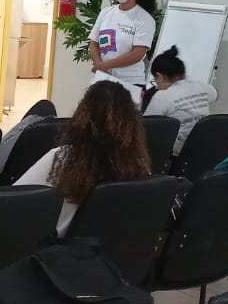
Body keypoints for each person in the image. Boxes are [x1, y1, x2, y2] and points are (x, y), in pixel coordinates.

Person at [15, 81, 150, 234]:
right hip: (105, 251)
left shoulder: (62, 158)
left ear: (82, 116)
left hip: (52, 249)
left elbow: (13, 201)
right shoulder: (138, 166)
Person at [89, 0, 156, 104]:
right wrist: (99, 64)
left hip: (130, 82)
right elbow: (94, 43)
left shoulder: (144, 18)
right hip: (103, 79)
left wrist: (105, 65)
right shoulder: (106, 13)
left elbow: (137, 54)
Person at [144, 46, 216, 154]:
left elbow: (146, 127)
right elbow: (216, 95)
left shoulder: (162, 96)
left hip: (176, 154)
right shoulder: (201, 87)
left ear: (159, 76)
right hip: (204, 149)